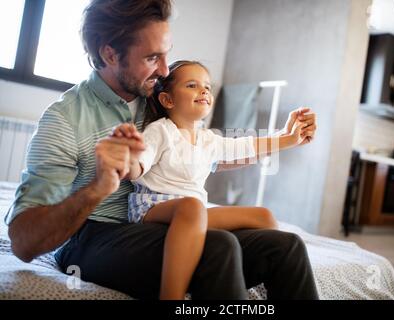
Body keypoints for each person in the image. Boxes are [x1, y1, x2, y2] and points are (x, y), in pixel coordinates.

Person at [5, 0, 319, 300]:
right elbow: (23, 242)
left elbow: (204, 157)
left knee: (285, 246)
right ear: (110, 54)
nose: (166, 70)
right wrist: (97, 188)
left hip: (167, 224)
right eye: (152, 58)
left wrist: (285, 138)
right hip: (95, 236)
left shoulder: (162, 98)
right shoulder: (64, 119)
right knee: (218, 246)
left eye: (166, 55)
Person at [110, 60, 316, 299]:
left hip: (193, 213)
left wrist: (288, 138)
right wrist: (128, 160)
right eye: (192, 85)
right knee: (192, 206)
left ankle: (252, 276)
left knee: (264, 216)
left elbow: (247, 147)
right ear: (167, 100)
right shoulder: (161, 131)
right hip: (154, 209)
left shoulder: (209, 139)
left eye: (207, 86)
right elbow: (137, 166)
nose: (204, 90)